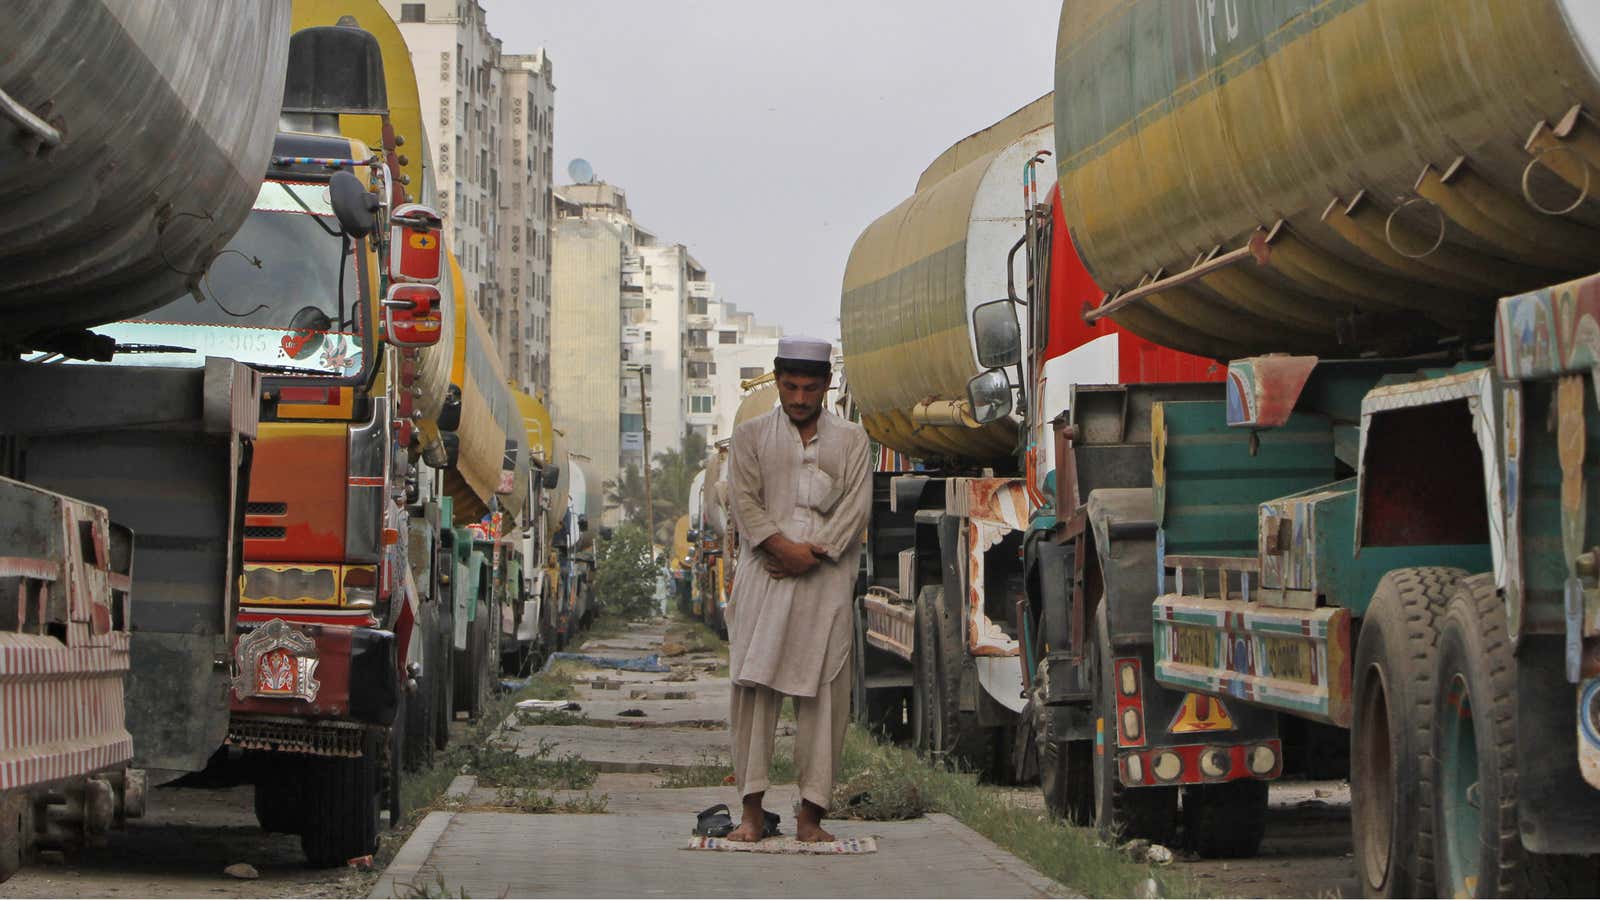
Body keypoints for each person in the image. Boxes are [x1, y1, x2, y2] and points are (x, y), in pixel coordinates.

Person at [724, 335, 871, 844]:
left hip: (825, 583)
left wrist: (813, 552)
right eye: (790, 386)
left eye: (810, 388)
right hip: (765, 579)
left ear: (827, 386)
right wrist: (779, 547)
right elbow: (743, 502)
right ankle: (750, 814)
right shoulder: (749, 436)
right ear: (778, 381)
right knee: (753, 695)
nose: (800, 398)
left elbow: (855, 508)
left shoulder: (852, 440)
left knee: (825, 697)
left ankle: (811, 818)